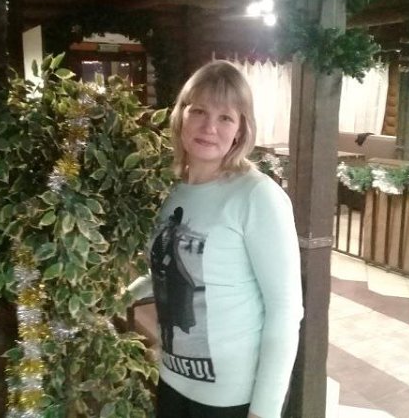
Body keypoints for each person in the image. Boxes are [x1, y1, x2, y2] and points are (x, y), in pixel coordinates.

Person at [129, 60, 303, 418]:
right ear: (181, 116)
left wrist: (265, 411)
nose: (209, 127)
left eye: (225, 117)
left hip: (229, 399)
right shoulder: (175, 191)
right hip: (171, 378)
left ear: (240, 130)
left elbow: (285, 311)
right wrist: (121, 295)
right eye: (199, 111)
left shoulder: (257, 196)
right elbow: (169, 269)